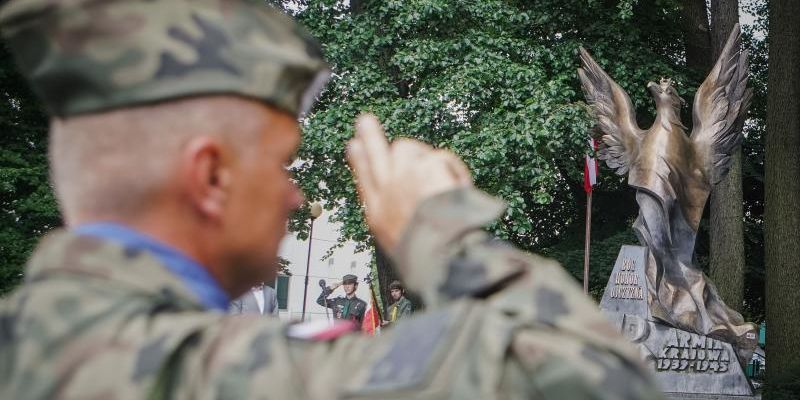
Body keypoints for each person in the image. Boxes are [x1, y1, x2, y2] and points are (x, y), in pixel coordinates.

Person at [0, 0, 664, 399]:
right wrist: (444, 234)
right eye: (283, 162)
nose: (297, 197)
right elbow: (597, 379)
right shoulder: (229, 375)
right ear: (209, 176)